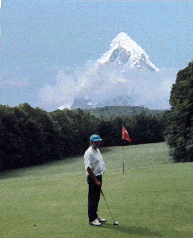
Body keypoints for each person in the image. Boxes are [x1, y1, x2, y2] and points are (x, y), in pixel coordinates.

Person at [84, 134, 106, 226]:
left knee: (97, 198)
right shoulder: (89, 152)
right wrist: (96, 180)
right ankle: (92, 219)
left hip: (98, 176)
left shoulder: (97, 150)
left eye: (99, 141)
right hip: (93, 177)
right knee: (92, 199)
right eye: (96, 141)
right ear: (91, 142)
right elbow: (88, 168)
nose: (98, 143)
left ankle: (95, 215)